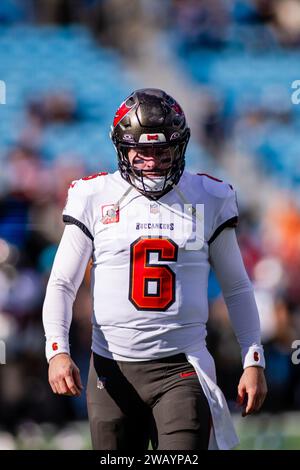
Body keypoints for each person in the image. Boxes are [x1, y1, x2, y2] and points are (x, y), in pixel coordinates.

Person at [42, 88, 267, 450]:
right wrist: (58, 351)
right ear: (122, 148)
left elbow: (237, 287)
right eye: (141, 151)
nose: (150, 160)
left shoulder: (208, 196)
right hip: (111, 369)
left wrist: (252, 357)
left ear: (179, 147)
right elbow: (62, 284)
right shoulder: (94, 195)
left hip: (182, 368)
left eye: (161, 150)